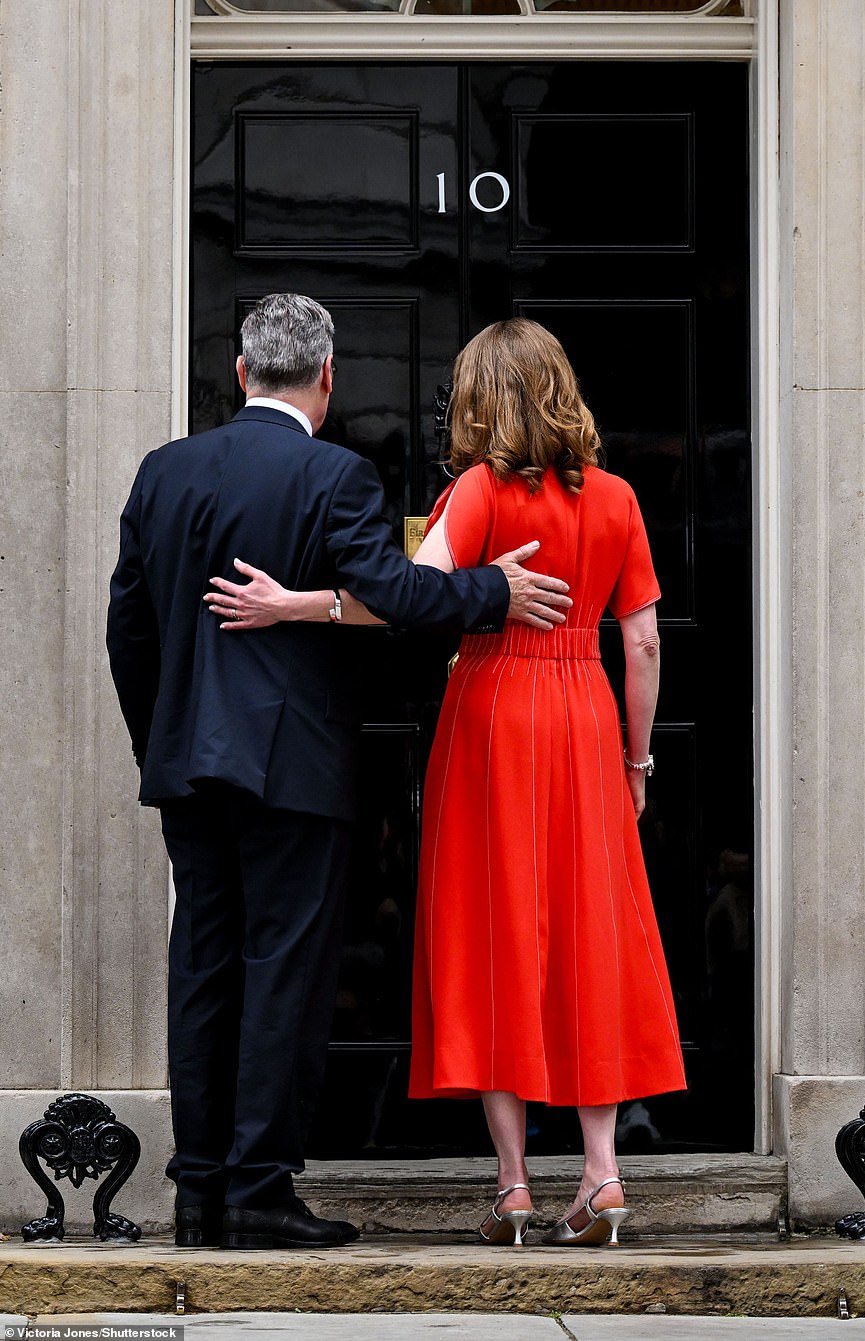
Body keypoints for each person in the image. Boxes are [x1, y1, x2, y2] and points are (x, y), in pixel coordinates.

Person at [204, 318, 686, 1248]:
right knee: (592, 928)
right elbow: (646, 642)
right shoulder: (620, 500)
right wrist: (637, 762)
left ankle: (512, 1186)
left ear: (481, 397)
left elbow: (397, 596)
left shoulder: (475, 491)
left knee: (494, 927)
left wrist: (289, 604)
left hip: (491, 710)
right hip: (584, 711)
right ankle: (602, 1173)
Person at [105, 296, 572, 1253]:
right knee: (284, 975)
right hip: (296, 771)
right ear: (325, 379)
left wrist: (161, 739)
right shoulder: (334, 472)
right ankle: (259, 1190)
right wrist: (495, 589)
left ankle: (198, 1194)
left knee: (202, 967)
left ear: (242, 374)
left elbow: (130, 626)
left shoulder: (165, 471)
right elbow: (392, 594)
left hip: (189, 767)